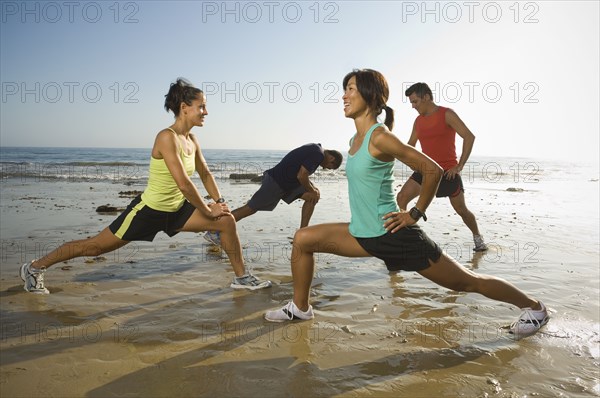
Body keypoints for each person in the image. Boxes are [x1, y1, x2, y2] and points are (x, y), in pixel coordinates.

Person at [264, 69, 549, 338]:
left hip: (392, 235)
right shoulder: (355, 139)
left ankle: (535, 308)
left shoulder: (380, 136)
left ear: (371, 97)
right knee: (303, 240)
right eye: (344, 89)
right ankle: (300, 309)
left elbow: (432, 170)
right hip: (361, 234)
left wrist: (414, 213)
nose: (344, 96)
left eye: (351, 89)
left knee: (466, 282)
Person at [19, 78, 271, 294]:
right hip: (148, 211)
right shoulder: (166, 137)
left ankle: (242, 278)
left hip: (177, 210)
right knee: (94, 247)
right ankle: (34, 267)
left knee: (226, 221)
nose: (206, 111)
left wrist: (219, 201)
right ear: (184, 108)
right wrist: (207, 211)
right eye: (202, 106)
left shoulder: (191, 139)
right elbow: (183, 182)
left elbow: (204, 173)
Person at [398, 82, 488, 251]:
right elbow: (409, 146)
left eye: (415, 101)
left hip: (448, 173)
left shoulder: (447, 114)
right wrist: (402, 156)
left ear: (426, 97)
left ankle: (477, 237)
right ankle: (406, 236)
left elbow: (469, 136)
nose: (413, 106)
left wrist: (459, 166)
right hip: (425, 170)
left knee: (461, 210)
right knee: (402, 197)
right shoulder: (418, 121)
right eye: (411, 102)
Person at [203, 144, 343, 246]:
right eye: (329, 165)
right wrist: (311, 189)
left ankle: (302, 233)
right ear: (331, 156)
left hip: (288, 184)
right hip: (276, 183)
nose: (325, 168)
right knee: (250, 208)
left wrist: (313, 189)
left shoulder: (315, 150)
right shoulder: (317, 154)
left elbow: (301, 174)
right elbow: (302, 176)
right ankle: (214, 231)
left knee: (313, 198)